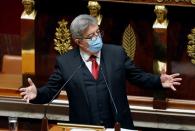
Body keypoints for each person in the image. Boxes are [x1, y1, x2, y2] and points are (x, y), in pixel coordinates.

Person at [19, 14, 182, 129]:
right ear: (79, 41)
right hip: (84, 127)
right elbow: (50, 91)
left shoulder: (116, 54)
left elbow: (137, 76)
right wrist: (37, 94)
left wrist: (158, 81)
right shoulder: (66, 63)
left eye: (98, 32)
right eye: (92, 36)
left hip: (118, 125)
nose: (98, 38)